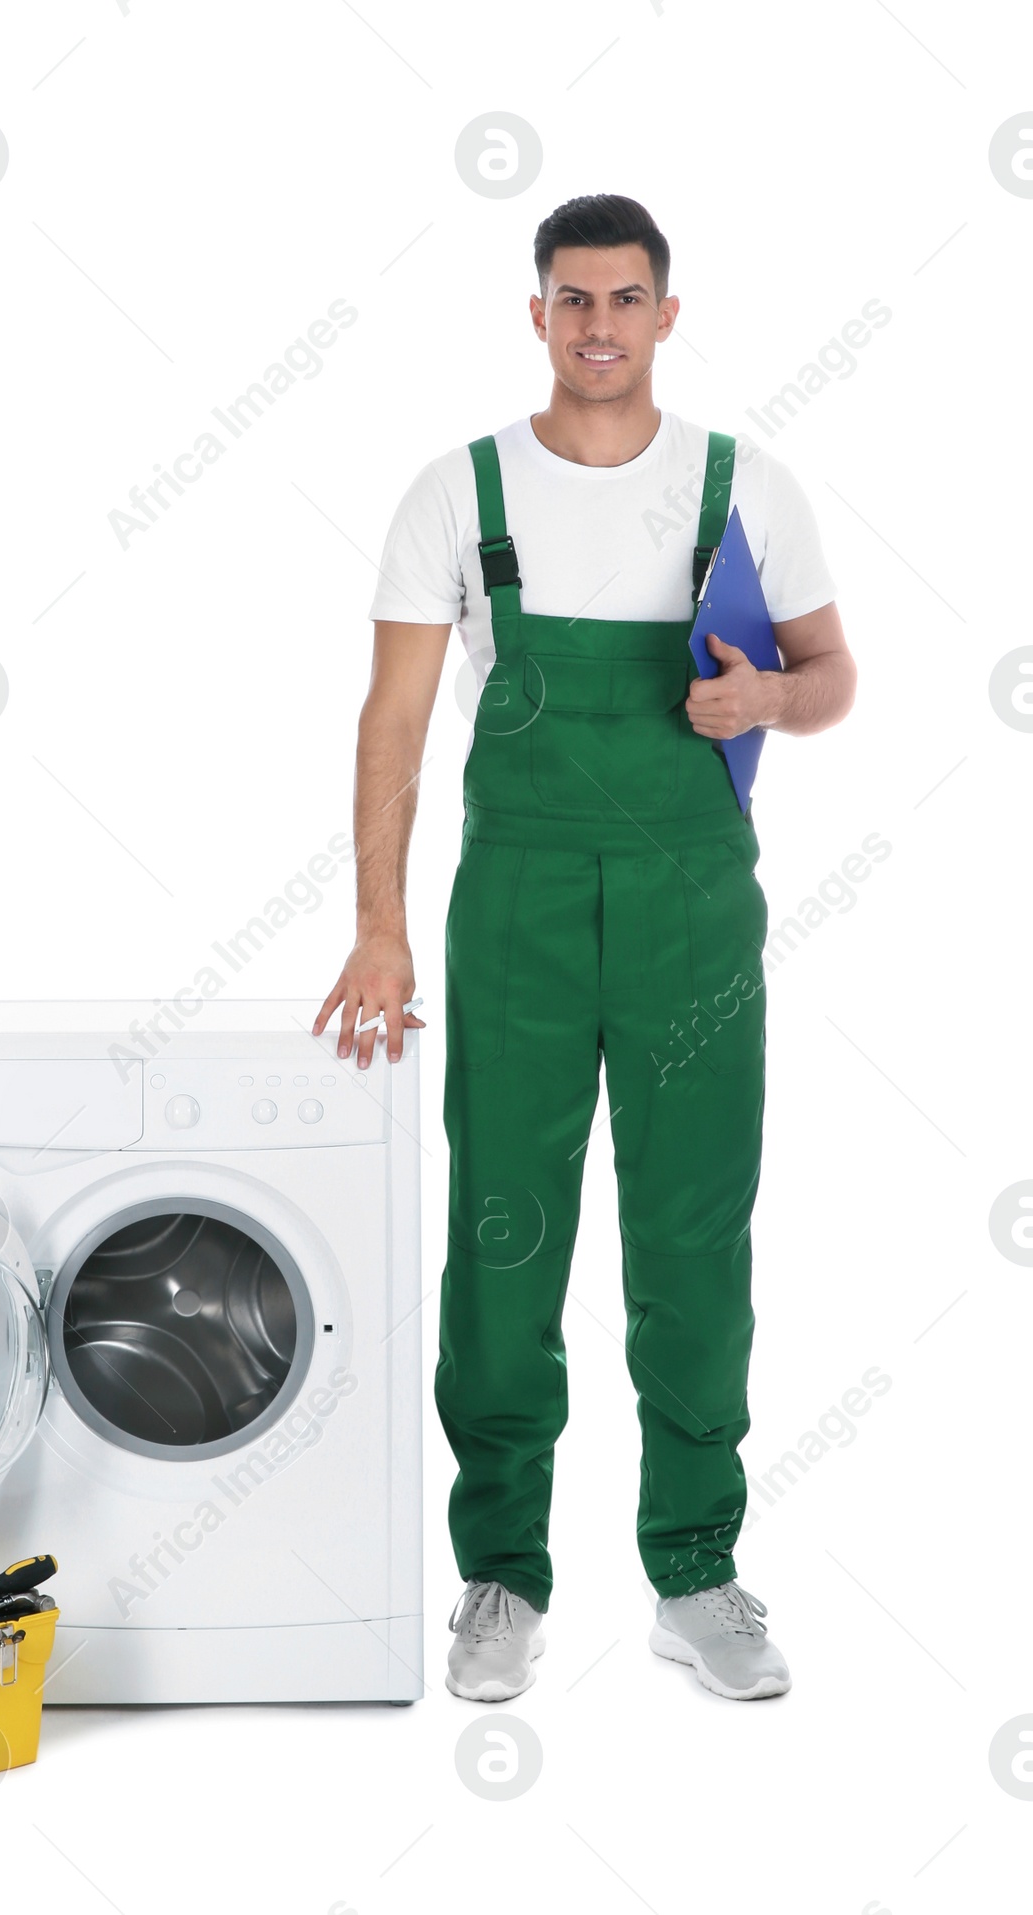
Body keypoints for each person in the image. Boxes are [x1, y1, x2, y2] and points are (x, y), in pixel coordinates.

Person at [313, 194, 855, 1703]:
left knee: (694, 1241)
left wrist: (768, 706)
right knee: (504, 1239)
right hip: (523, 907)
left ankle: (699, 1573)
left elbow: (833, 677)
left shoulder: (744, 487)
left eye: (627, 299)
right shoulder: (457, 491)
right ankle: (502, 1576)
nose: (600, 325)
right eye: (573, 300)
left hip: (693, 909)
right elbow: (396, 723)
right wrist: (379, 930)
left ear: (667, 315)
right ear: (536, 316)